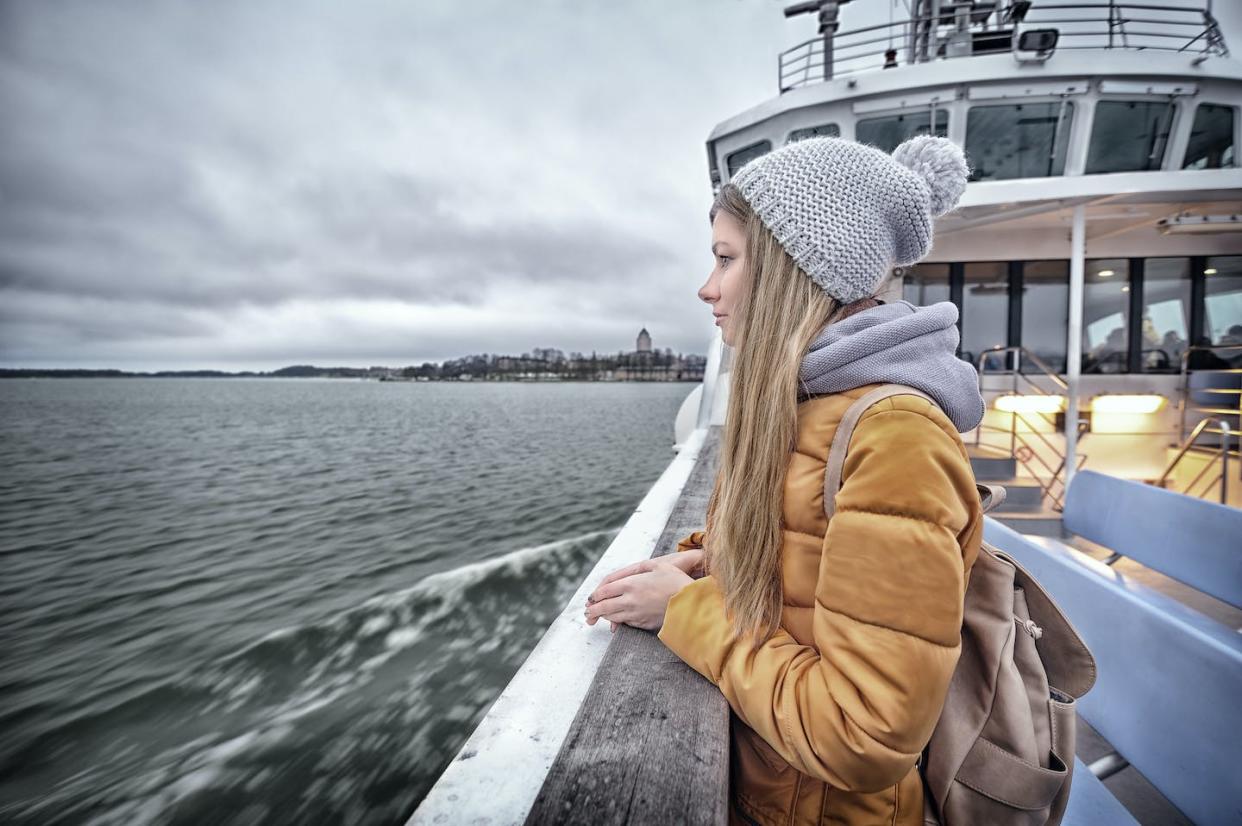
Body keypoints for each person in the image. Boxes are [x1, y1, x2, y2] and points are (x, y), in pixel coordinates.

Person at [584, 134, 986, 825]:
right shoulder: (806, 403)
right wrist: (714, 560)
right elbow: (819, 564)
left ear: (792, 265)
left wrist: (682, 610)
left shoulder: (895, 438)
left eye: (726, 258)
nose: (707, 288)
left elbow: (865, 734)